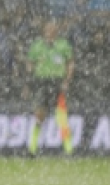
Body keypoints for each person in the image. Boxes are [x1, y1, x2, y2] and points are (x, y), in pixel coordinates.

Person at [25, 20, 75, 155]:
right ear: (43, 31)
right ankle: (32, 148)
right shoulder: (37, 46)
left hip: (57, 82)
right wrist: (30, 74)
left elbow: (70, 63)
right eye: (47, 29)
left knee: (61, 117)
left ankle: (69, 149)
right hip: (41, 82)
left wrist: (66, 81)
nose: (49, 32)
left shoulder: (63, 45)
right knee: (40, 115)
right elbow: (29, 62)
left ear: (56, 31)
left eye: (52, 29)